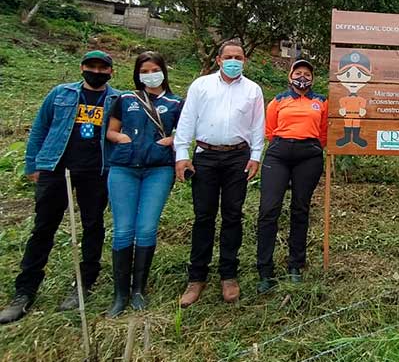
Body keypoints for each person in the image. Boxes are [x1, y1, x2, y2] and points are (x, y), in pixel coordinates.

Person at [0, 51, 119, 324]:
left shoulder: (116, 99)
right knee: (43, 227)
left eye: (103, 68)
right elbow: (40, 128)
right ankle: (24, 291)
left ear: (111, 72)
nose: (97, 71)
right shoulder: (60, 94)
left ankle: (84, 283)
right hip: (56, 168)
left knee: (93, 226)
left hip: (96, 171)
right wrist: (32, 164)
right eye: (92, 66)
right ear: (82, 67)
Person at [174, 40, 265, 306]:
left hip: (238, 156)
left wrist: (256, 156)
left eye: (239, 57)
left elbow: (258, 126)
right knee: (203, 216)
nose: (234, 60)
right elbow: (187, 120)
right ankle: (197, 277)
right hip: (206, 156)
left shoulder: (253, 90)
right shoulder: (201, 85)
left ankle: (229, 275)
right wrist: (182, 155)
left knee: (233, 216)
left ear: (245, 61)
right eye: (229, 56)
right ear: (219, 60)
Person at [105, 52, 183, 317]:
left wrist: (170, 141)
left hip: (158, 170)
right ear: (138, 74)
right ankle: (120, 294)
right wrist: (121, 139)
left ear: (163, 71)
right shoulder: (126, 99)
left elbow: (185, 132)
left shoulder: (175, 102)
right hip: (124, 168)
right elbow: (111, 130)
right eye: (145, 70)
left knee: (147, 228)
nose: (150, 74)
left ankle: (138, 289)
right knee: (123, 229)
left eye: (155, 69)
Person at [255, 59, 328, 294]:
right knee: (269, 209)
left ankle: (295, 265)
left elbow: (324, 132)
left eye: (307, 73)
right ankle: (265, 271)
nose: (302, 77)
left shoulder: (321, 102)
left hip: (309, 156)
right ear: (290, 76)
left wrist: (312, 146)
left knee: (300, 209)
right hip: (279, 154)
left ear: (313, 79)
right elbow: (269, 130)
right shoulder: (278, 100)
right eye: (298, 72)